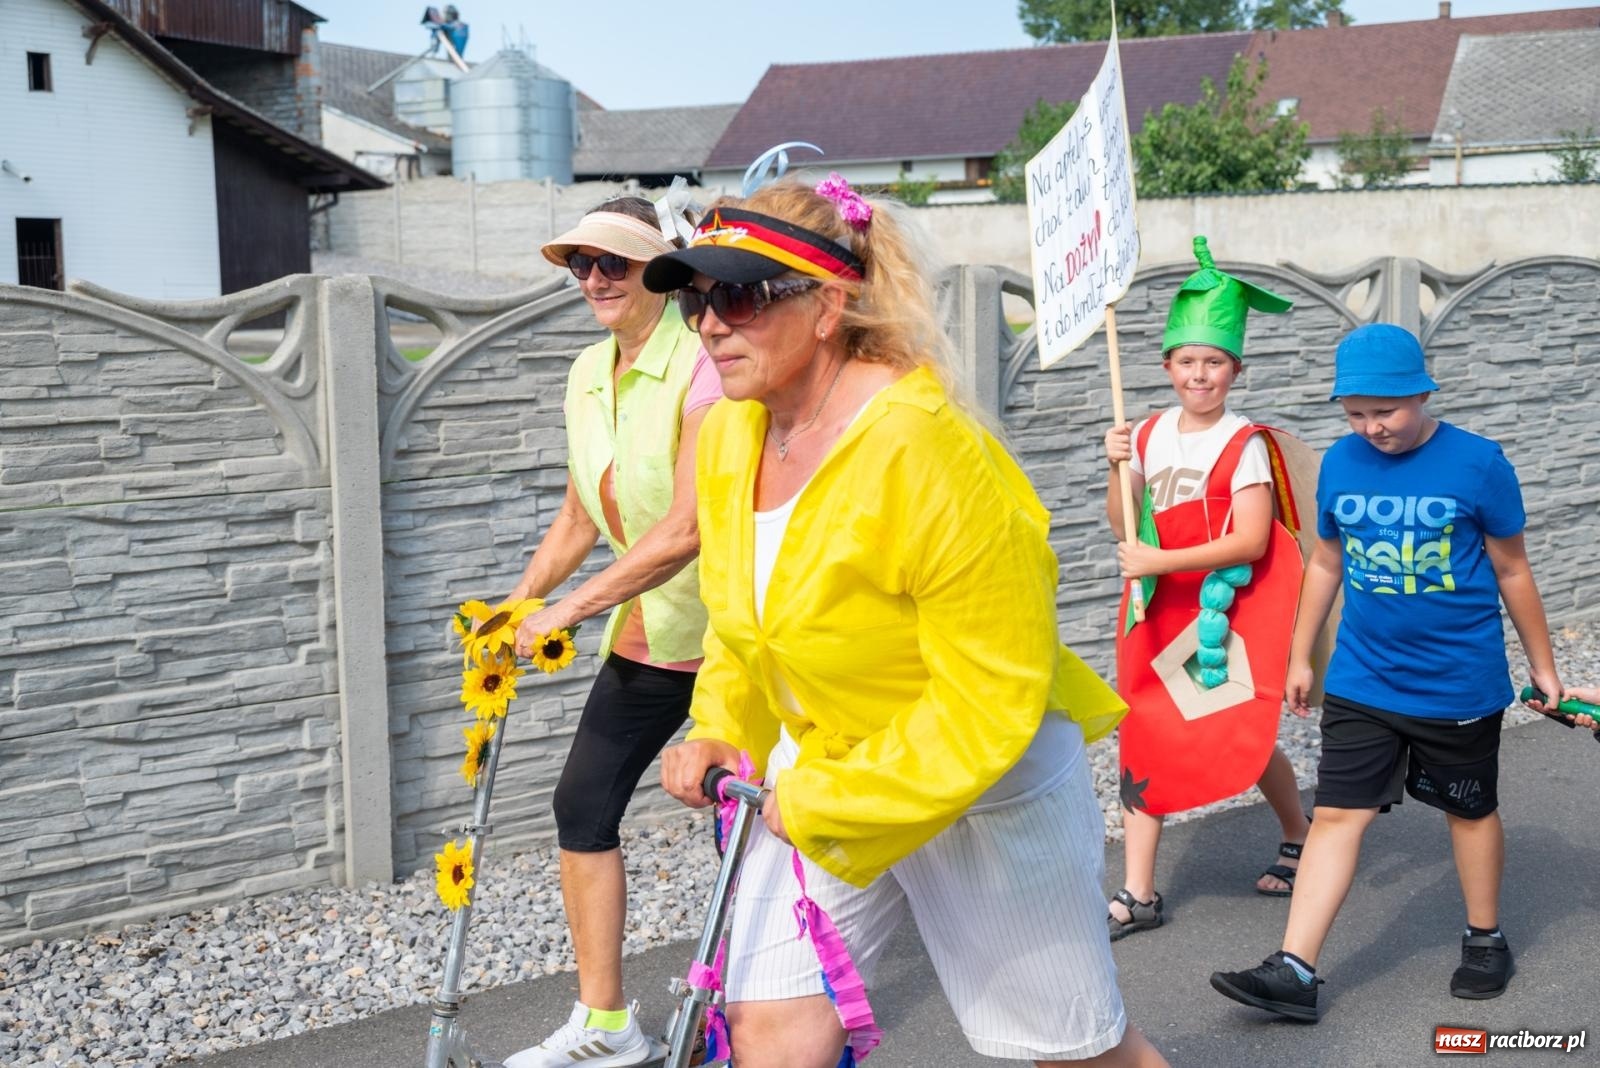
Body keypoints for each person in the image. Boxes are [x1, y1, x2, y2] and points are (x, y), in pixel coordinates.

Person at [648, 176, 1169, 1068]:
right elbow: (743, 626)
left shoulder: (930, 452)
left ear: (827, 306)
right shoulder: (736, 433)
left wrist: (822, 798)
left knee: (1078, 1054)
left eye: (737, 295)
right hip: (823, 774)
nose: (708, 324)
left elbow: (988, 702)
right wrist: (722, 726)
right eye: (697, 298)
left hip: (978, 788)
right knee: (768, 1029)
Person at [1210, 323, 1565, 1022]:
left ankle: (1485, 938)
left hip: (1457, 683)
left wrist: (1544, 666)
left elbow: (1512, 568)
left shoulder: (1478, 463)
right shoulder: (1340, 464)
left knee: (1468, 810)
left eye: (1387, 411)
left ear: (1423, 394)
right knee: (1339, 812)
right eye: (1356, 413)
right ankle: (1295, 969)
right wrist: (1300, 655)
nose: (1372, 427)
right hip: (1364, 678)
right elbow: (1326, 562)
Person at [501, 196, 722, 1068]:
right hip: (647, 630)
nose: (593, 279)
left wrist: (566, 612)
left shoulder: (703, 363)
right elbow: (579, 514)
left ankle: (772, 1007)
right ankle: (606, 1024)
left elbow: (686, 527)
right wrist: (519, 604)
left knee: (763, 826)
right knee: (582, 807)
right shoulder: (587, 370)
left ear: (657, 274)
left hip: (736, 632)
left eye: (614, 264)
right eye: (580, 265)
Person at [1102, 238, 1314, 940]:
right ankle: (1139, 892)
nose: (1201, 375)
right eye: (1188, 362)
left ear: (1234, 369)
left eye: (1214, 363)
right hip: (1153, 610)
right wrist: (1118, 469)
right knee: (1144, 727)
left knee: (1235, 729)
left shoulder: (1243, 443)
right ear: (1167, 366)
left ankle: (1297, 829)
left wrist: (1161, 564)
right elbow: (1124, 527)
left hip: (1217, 613)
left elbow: (1252, 540)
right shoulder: (1150, 434)